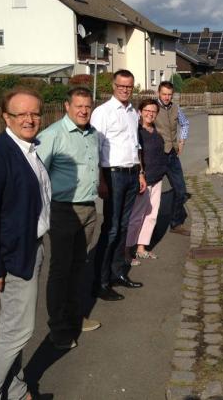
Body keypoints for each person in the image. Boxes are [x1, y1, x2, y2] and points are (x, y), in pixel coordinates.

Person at [0, 87, 51, 400]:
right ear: (6, 117)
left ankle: (16, 390)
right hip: (15, 256)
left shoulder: (27, 148)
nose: (30, 119)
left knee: (13, 329)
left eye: (35, 113)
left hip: (33, 247)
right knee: (17, 332)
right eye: (22, 114)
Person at [36, 86, 101, 350]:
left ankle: (75, 317)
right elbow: (37, 175)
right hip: (63, 210)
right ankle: (59, 329)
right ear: (67, 106)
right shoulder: (52, 135)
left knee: (78, 266)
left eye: (88, 106)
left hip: (88, 209)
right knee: (61, 270)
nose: (84, 111)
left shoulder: (92, 134)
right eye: (79, 106)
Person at [90, 70, 146, 301]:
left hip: (132, 174)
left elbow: (136, 145)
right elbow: (94, 148)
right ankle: (101, 282)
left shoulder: (133, 113)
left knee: (124, 227)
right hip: (112, 175)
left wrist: (141, 172)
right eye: (121, 86)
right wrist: (101, 180)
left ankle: (117, 273)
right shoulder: (102, 112)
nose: (125, 89)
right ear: (113, 86)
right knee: (111, 228)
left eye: (129, 86)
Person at [126, 99, 170, 262]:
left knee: (151, 215)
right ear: (140, 112)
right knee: (136, 216)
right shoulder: (136, 132)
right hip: (143, 180)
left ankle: (141, 247)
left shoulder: (156, 131)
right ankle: (126, 250)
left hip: (157, 178)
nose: (150, 114)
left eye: (153, 111)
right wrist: (140, 175)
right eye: (147, 110)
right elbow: (135, 156)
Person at [154, 81, 191, 236]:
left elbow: (185, 123)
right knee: (149, 193)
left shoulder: (176, 108)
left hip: (172, 155)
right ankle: (145, 226)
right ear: (158, 93)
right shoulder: (152, 108)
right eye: (164, 94)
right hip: (156, 156)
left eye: (169, 94)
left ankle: (175, 223)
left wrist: (181, 141)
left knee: (181, 191)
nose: (167, 97)